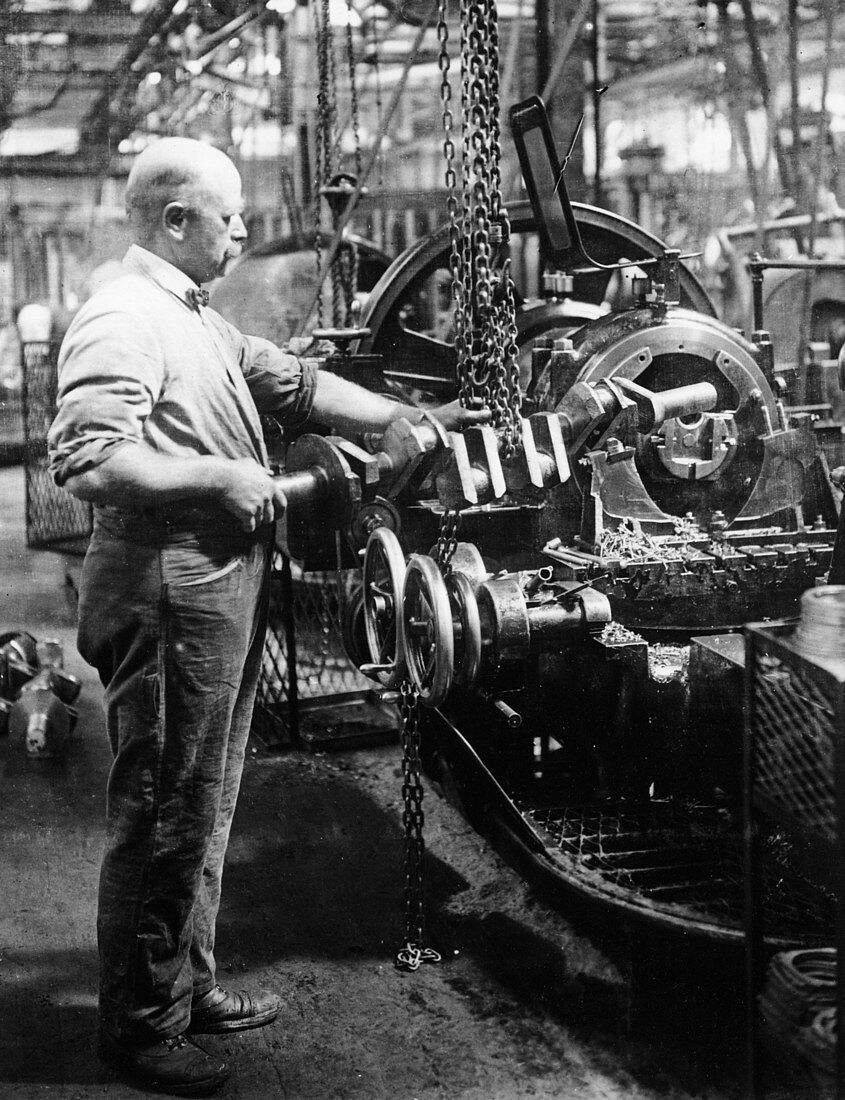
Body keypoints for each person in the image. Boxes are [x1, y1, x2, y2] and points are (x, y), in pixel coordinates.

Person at [47, 136, 488, 1097]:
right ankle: (139, 1026)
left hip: (214, 583)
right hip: (170, 588)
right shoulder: (124, 318)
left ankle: (183, 985)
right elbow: (85, 459)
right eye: (228, 213)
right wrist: (216, 475)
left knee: (204, 799)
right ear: (174, 221)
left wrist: (402, 421)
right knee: (166, 807)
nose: (244, 228)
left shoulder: (189, 312)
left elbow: (284, 377)